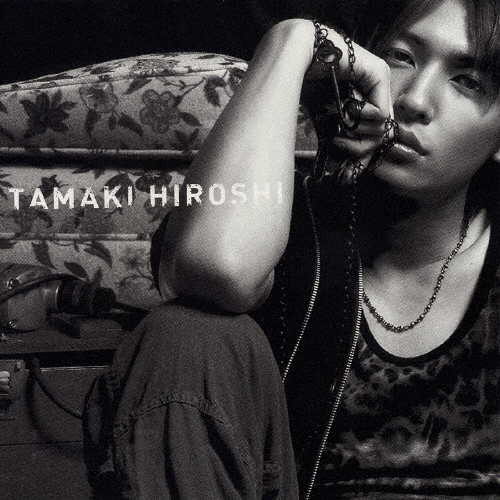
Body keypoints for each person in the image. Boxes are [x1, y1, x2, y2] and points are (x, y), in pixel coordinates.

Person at [83, 0, 500, 498]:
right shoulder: (275, 230)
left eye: (467, 81)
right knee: (185, 336)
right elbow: (215, 267)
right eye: (402, 57)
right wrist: (292, 42)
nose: (414, 99)